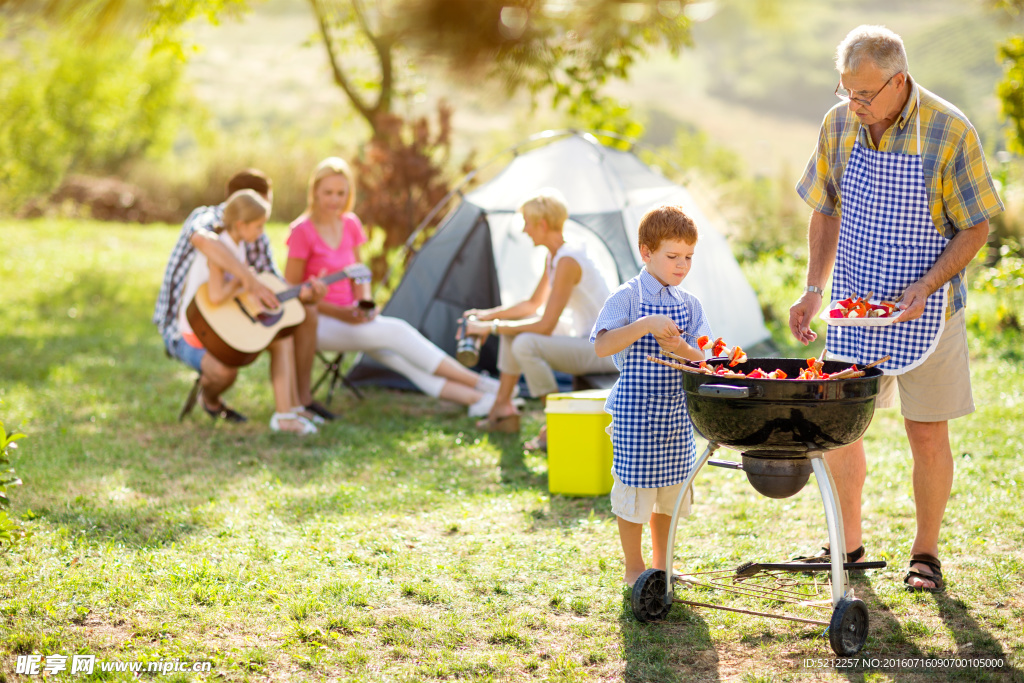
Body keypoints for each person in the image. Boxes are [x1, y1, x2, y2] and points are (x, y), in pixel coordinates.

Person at [789, 25, 1003, 592]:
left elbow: (977, 225)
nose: (853, 105)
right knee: (841, 428)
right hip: (856, 308)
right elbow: (824, 207)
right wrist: (815, 287)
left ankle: (925, 554)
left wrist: (926, 286)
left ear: (898, 80)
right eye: (846, 92)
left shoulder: (950, 130)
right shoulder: (838, 124)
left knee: (927, 433)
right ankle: (848, 545)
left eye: (864, 94)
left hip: (927, 311)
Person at [284, 157, 501, 417]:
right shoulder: (302, 231)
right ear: (315, 193)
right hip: (317, 324)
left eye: (341, 193)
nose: (335, 200)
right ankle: (484, 384)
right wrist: (342, 313)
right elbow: (292, 292)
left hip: (353, 319)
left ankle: (479, 399)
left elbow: (360, 275)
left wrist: (364, 305)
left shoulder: (350, 224)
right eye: (328, 193)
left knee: (397, 356)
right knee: (396, 332)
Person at [591, 205, 712, 586]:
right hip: (635, 415)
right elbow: (601, 345)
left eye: (689, 257)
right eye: (672, 256)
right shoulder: (626, 297)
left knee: (669, 494)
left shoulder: (690, 305)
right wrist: (645, 325)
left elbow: (706, 358)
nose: (682, 265)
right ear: (646, 252)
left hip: (675, 416)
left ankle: (663, 565)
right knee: (635, 495)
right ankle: (634, 567)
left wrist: (682, 349)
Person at [155, 169, 332, 423]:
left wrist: (302, 295)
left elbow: (272, 283)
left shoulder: (249, 236)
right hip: (190, 326)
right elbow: (207, 249)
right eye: (258, 209)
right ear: (242, 210)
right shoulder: (212, 226)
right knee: (224, 371)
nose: (263, 224)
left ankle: (293, 408)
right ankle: (212, 400)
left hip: (231, 318)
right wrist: (246, 279)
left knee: (296, 323)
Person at [461, 190, 618, 449]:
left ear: (542, 225)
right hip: (585, 337)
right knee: (515, 334)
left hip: (604, 349)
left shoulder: (568, 260)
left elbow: (545, 325)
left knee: (525, 343)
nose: (524, 231)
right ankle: (503, 408)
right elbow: (532, 304)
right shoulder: (556, 256)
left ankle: (556, 423)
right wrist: (487, 315)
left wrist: (491, 327)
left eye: (527, 224)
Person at [178, 190, 316, 434]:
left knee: (282, 338)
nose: (261, 233)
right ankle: (285, 414)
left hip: (223, 320)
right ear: (240, 225)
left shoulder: (237, 246)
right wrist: (243, 280)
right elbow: (216, 295)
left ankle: (286, 414)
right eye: (258, 227)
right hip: (201, 331)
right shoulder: (221, 248)